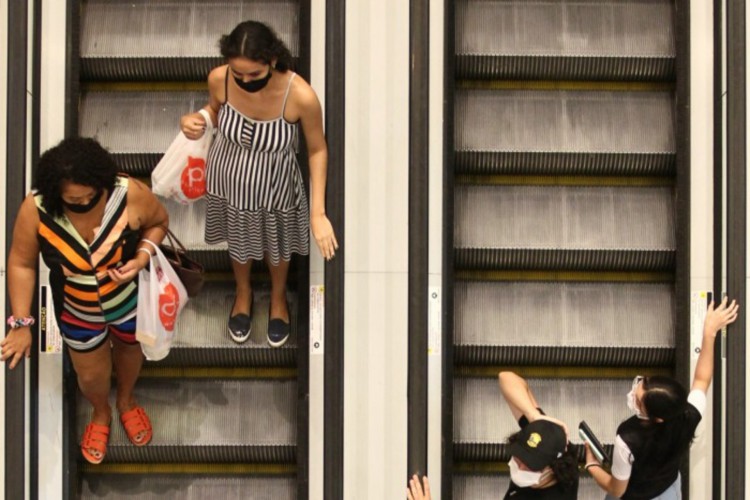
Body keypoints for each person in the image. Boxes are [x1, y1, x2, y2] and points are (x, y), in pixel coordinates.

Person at [1, 137, 169, 464]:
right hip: (78, 309)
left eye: (91, 196)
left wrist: (141, 257)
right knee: (90, 374)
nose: (83, 203)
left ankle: (126, 400)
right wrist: (21, 323)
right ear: (55, 193)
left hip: (129, 301)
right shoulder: (35, 209)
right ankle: (101, 411)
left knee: (131, 350)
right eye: (73, 199)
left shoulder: (129, 192)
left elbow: (159, 223)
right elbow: (21, 263)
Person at [180, 20, 337, 347]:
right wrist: (198, 119)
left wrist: (318, 211)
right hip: (230, 179)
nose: (246, 81)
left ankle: (278, 297)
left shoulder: (301, 96)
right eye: (239, 75)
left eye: (254, 74)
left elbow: (318, 148)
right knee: (238, 240)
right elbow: (214, 110)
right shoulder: (220, 78)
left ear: (272, 61)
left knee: (277, 245)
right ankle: (243, 291)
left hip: (276, 184)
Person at [585, 297, 740, 499]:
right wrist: (709, 332)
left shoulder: (627, 438)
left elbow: (617, 489)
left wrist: (592, 466)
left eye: (639, 401)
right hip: (668, 490)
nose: (633, 394)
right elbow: (702, 380)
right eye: (641, 383)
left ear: (657, 417)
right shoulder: (687, 416)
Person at [498, 371, 580, 499]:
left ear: (551, 470)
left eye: (531, 464)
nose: (520, 466)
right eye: (520, 456)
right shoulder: (552, 443)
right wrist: (534, 416)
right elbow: (506, 377)